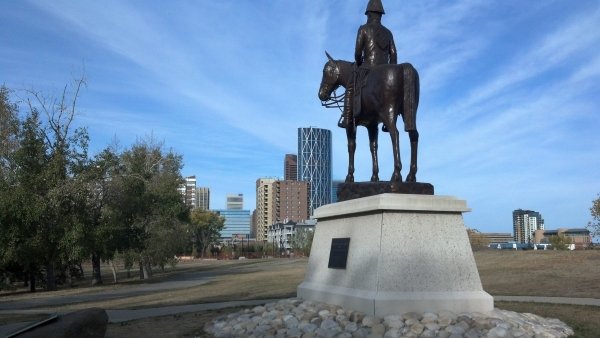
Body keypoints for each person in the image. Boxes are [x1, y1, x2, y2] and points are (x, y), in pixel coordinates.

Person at [338, 0, 397, 129]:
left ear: (368, 14)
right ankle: (391, 121)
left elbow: (358, 52)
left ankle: (347, 118)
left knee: (350, 87)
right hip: (385, 69)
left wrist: (358, 62)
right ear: (381, 15)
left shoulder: (363, 29)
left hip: (367, 67)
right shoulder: (388, 33)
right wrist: (391, 70)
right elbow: (393, 56)